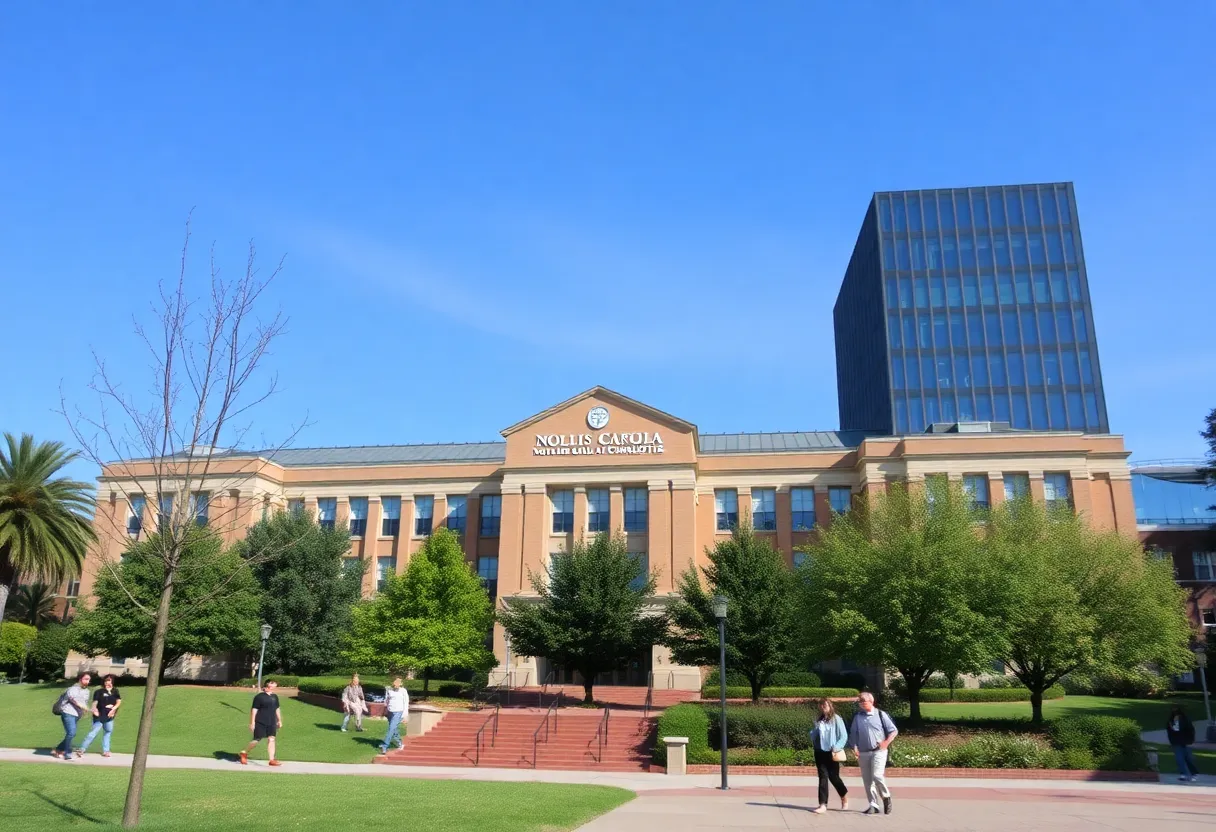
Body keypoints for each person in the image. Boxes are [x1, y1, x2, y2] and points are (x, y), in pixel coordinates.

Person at [848, 691, 898, 815]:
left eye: (863, 701)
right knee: (867, 780)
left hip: (879, 751)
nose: (861, 703)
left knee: (877, 775)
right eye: (859, 701)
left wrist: (886, 742)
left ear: (871, 701)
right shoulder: (858, 717)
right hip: (863, 752)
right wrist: (854, 747)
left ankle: (886, 797)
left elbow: (893, 731)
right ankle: (873, 804)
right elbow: (853, 734)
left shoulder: (881, 714)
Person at [809, 698, 849, 813]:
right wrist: (815, 729)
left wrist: (837, 747)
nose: (823, 707)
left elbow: (844, 736)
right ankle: (822, 804)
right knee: (823, 777)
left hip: (832, 752)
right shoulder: (819, 720)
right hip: (820, 751)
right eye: (821, 706)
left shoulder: (837, 719)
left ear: (830, 706)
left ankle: (844, 796)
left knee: (834, 777)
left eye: (825, 705)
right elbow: (813, 736)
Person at [238, 680, 283, 766]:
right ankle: (244, 752)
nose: (273, 687)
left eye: (274, 686)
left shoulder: (275, 696)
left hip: (272, 721)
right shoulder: (259, 697)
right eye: (271, 685)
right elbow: (254, 709)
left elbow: (277, 708)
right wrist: (252, 723)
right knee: (256, 739)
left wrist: (279, 720)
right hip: (260, 721)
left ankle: (272, 760)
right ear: (267, 686)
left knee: (272, 738)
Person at [77, 674, 122, 757]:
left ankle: (106, 751)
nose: (107, 682)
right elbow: (95, 702)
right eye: (106, 680)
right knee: (93, 732)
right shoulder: (99, 692)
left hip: (110, 716)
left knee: (108, 732)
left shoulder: (115, 691)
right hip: (100, 715)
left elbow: (118, 701)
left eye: (109, 680)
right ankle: (82, 749)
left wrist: (113, 709)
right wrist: (94, 709)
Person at [52, 673, 91, 760]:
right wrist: (83, 707)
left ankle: (58, 749)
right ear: (80, 679)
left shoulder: (87, 691)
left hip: (77, 715)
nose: (88, 681)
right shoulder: (73, 689)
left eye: (89, 679)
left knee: (71, 734)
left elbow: (84, 702)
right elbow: (73, 700)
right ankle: (67, 753)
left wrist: (85, 710)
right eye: (86, 679)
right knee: (71, 733)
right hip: (68, 712)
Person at [1166, 705, 1200, 782]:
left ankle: (1194, 773)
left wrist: (1190, 740)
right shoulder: (1171, 721)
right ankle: (1183, 774)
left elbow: (1191, 730)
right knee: (1179, 759)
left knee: (1188, 759)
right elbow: (1170, 732)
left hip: (1186, 742)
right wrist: (1172, 741)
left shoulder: (1185, 720)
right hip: (1177, 743)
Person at [379, 676, 409, 755]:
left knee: (391, 728)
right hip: (390, 712)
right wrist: (385, 710)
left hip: (399, 712)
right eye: (396, 682)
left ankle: (385, 746)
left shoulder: (403, 691)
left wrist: (405, 714)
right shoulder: (389, 690)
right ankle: (399, 742)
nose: (397, 684)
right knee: (394, 729)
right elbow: (386, 700)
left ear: (401, 683)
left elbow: (406, 702)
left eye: (399, 682)